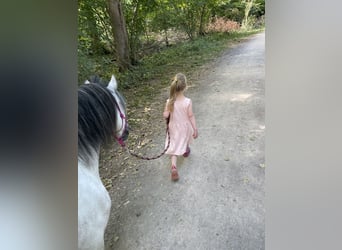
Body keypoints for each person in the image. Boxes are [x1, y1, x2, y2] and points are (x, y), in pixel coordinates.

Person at [163, 73, 198, 181]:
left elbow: (165, 115)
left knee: (173, 146)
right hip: (185, 127)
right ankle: (185, 150)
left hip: (173, 127)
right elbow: (191, 116)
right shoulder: (188, 101)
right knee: (185, 139)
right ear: (185, 87)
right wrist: (195, 128)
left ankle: (174, 166)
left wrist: (166, 111)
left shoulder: (169, 102)